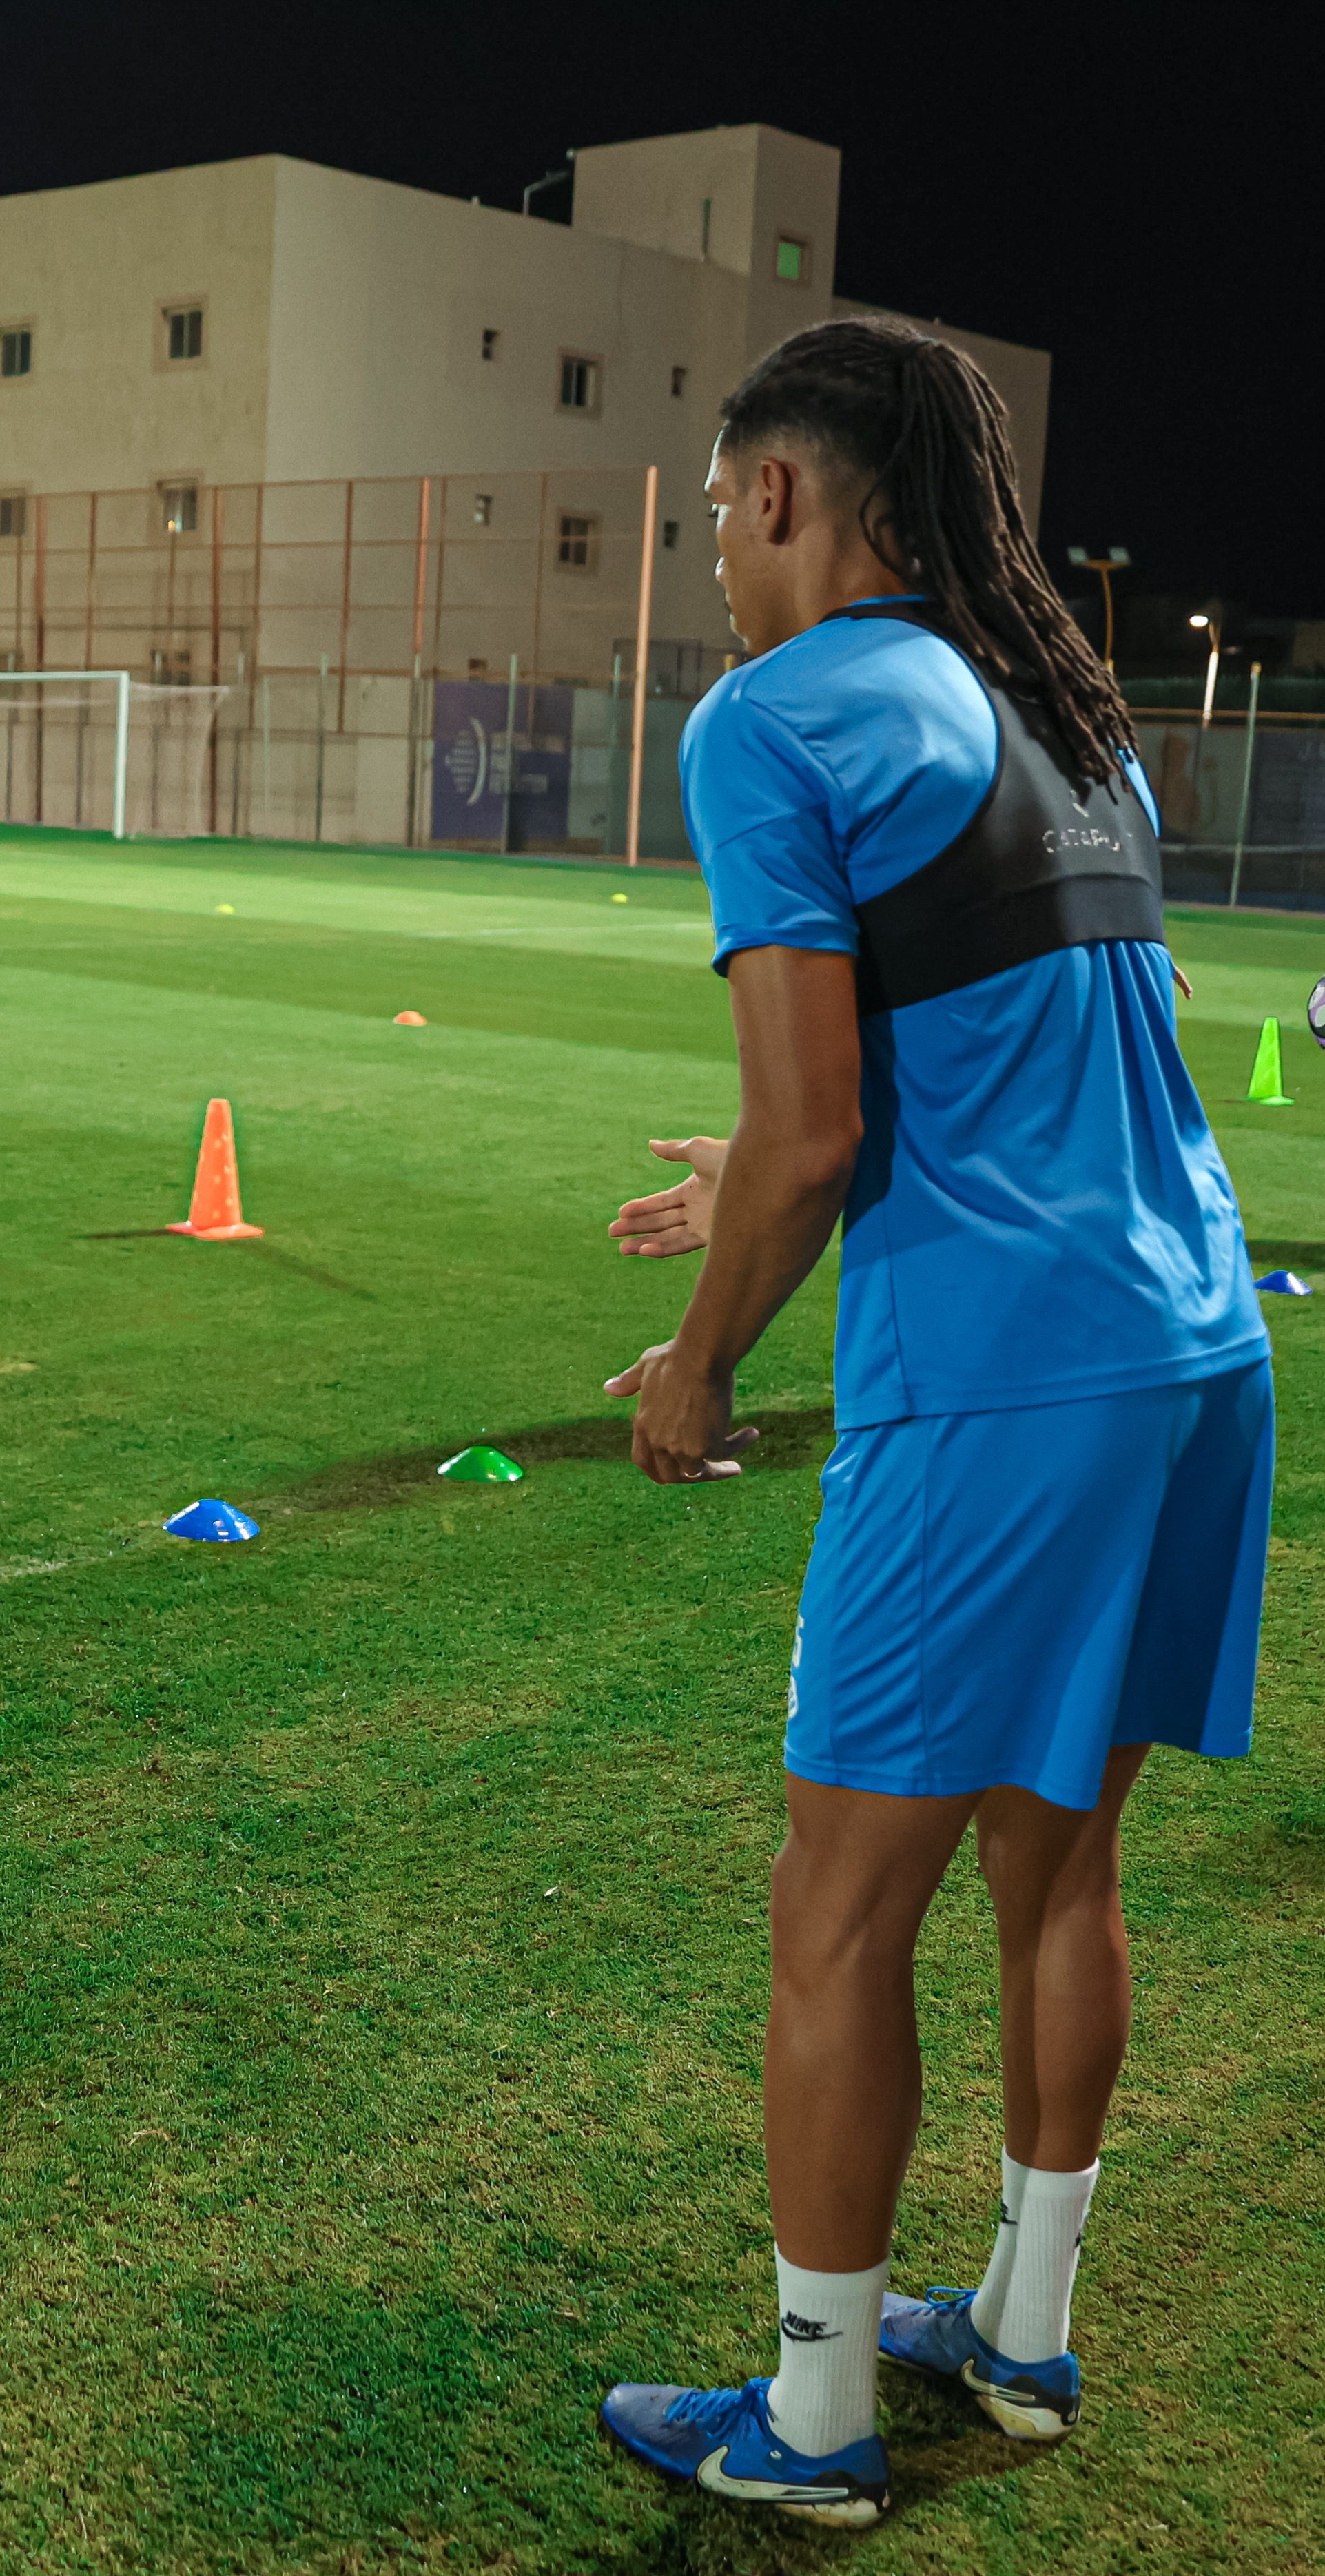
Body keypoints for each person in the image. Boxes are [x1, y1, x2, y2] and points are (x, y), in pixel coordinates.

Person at [594, 318, 1268, 2528]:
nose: (707, 549)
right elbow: (1032, 1058)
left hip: (999, 1380)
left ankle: (802, 2427)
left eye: (709, 506)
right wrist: (759, 1157)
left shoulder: (770, 716)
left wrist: (701, 1354)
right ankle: (1023, 2328)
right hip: (1190, 1351)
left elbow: (816, 1135)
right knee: (1056, 1858)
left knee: (834, 1904)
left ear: (780, 495)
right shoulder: (1078, 726)